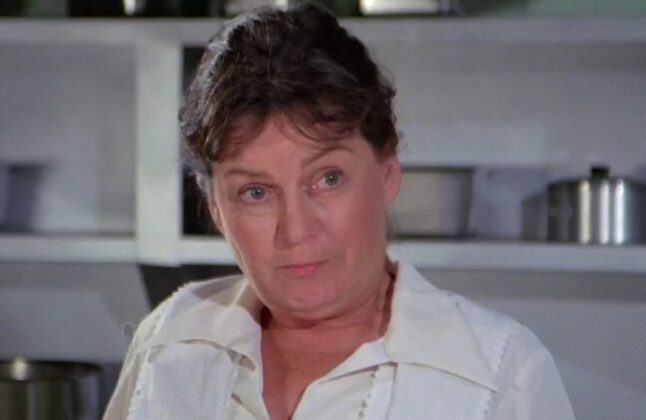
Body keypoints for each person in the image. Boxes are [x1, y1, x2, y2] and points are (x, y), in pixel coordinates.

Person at [103, 2, 576, 419]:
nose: (296, 231)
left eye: (327, 179)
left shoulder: (501, 376)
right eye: (256, 192)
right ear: (216, 209)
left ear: (387, 173)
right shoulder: (167, 341)